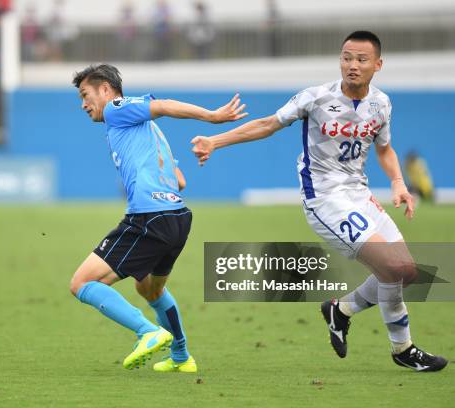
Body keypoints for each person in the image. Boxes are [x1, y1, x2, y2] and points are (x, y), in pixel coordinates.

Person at [191, 31, 447, 372]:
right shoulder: (315, 98)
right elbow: (268, 124)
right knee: (392, 269)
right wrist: (215, 141)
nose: (352, 66)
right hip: (325, 199)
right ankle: (403, 349)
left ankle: (340, 310)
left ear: (378, 65)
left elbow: (384, 148)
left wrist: (399, 183)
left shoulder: (381, 104)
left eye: (361, 60)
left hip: (360, 194)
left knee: (408, 272)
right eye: (346, 58)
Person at [71, 64, 247, 372]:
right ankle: (181, 355)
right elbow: (180, 181)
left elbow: (163, 105)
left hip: (149, 216)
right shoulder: (146, 132)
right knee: (149, 289)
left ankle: (148, 331)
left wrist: (213, 117)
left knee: (81, 282)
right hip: (178, 218)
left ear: (105, 90)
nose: (83, 104)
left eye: (86, 95)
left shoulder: (116, 109)